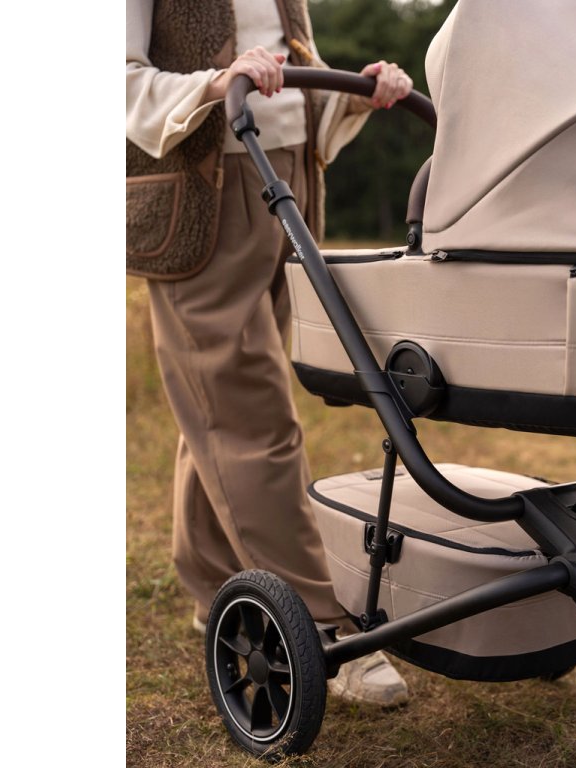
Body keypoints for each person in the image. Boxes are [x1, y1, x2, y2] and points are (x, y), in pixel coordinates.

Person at [126, 0, 413, 707]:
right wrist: (213, 83)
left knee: (216, 399)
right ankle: (321, 623)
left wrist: (357, 93)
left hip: (286, 179)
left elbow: (290, 73)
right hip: (200, 190)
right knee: (248, 412)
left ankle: (213, 577)